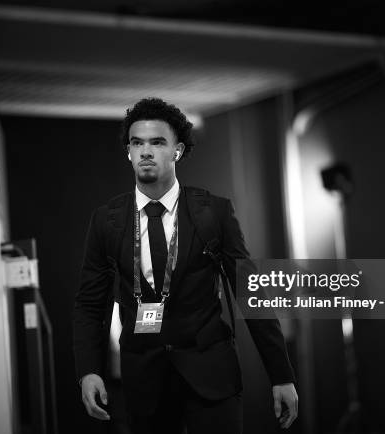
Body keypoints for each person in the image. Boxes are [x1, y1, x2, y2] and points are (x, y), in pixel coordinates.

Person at [73, 97, 298, 434]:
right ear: (128, 152)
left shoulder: (213, 212)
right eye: (137, 143)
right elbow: (90, 304)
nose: (145, 151)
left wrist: (281, 375)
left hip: (211, 373)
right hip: (145, 379)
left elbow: (251, 294)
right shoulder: (108, 221)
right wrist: (88, 370)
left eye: (157, 142)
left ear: (176, 150)